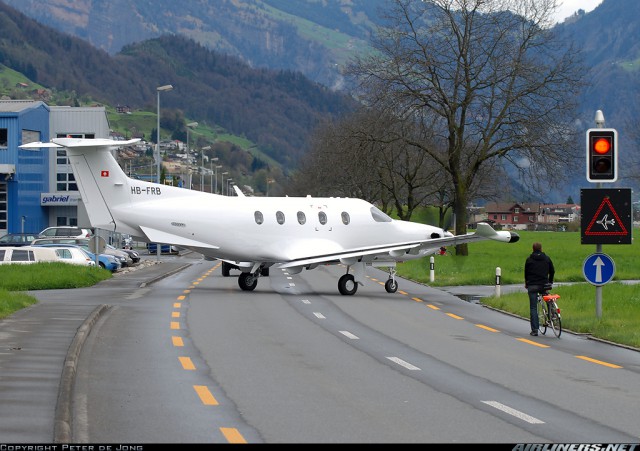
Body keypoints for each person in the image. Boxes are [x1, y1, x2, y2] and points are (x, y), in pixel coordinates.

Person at [524, 242, 555, 336]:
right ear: (541, 249)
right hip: (544, 285)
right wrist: (550, 281)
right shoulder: (546, 258)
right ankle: (552, 315)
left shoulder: (529, 259)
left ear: (533, 249)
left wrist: (527, 283)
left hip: (532, 286)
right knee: (548, 299)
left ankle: (535, 330)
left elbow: (526, 273)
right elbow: (552, 271)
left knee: (533, 307)